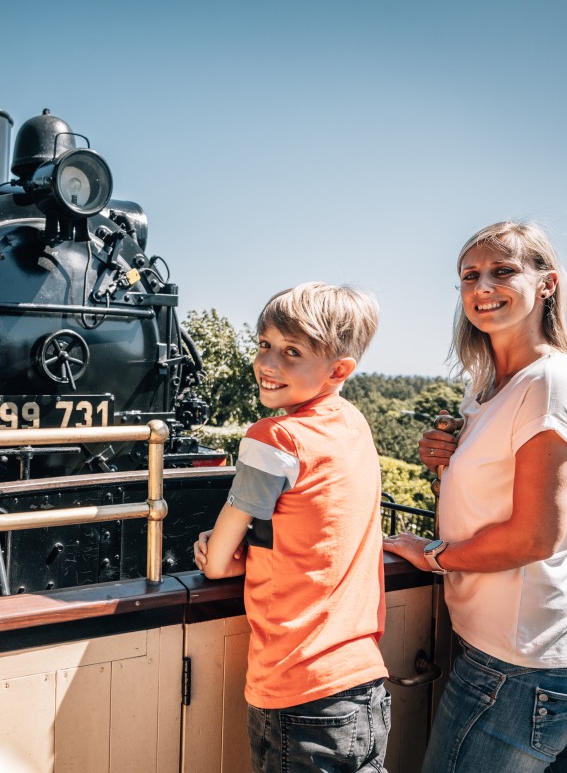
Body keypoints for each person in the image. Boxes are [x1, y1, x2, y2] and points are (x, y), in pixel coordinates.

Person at [382, 221, 567, 773]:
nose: (482, 287)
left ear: (546, 284)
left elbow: (534, 535)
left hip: (522, 662)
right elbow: (491, 500)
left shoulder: (548, 384)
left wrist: (433, 557)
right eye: (469, 276)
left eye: (503, 271)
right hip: (527, 653)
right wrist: (446, 466)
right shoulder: (487, 386)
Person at [193, 282, 389, 773]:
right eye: (265, 344)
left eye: (292, 352)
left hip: (296, 688)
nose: (268, 363)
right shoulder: (353, 425)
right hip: (361, 684)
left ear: (338, 370)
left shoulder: (274, 436)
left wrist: (219, 550)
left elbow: (217, 562)